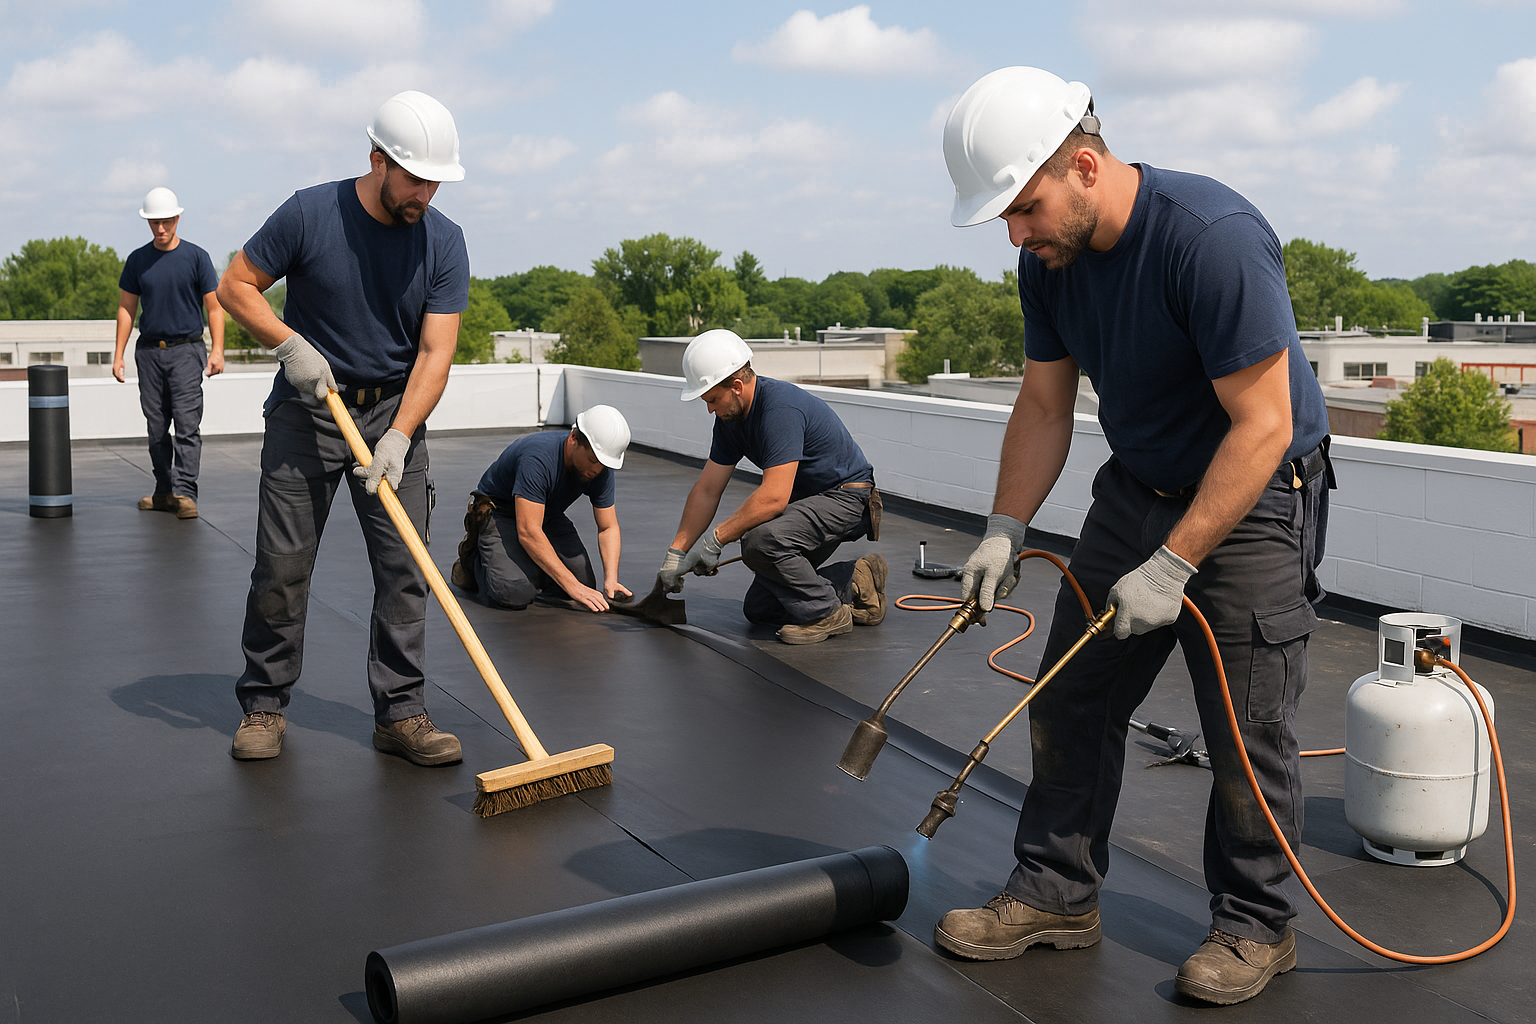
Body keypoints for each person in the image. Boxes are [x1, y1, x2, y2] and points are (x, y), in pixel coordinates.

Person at [931, 68, 1332, 1006]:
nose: (1016, 235)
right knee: (1071, 695)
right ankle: (1056, 892)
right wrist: (1004, 526)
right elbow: (1044, 403)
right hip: (1137, 488)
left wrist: (1177, 561)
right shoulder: (1049, 263)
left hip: (1255, 496)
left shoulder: (1210, 239)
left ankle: (1256, 924)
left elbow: (1265, 425)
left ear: (1083, 165)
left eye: (1023, 209)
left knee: (1244, 728)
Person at [216, 90, 470, 767]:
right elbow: (235, 285)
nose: (425, 194)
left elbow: (436, 353)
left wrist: (400, 435)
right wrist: (288, 346)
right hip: (308, 411)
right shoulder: (310, 214)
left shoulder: (444, 241)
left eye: (435, 182)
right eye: (414, 179)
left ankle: (402, 714)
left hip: (394, 410)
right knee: (282, 566)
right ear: (377, 159)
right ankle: (264, 704)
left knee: (406, 571)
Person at [657, 329, 887, 645]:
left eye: (712, 399)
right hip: (810, 501)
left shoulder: (780, 409)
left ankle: (827, 613)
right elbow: (707, 489)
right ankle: (856, 578)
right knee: (760, 607)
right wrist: (676, 552)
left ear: (737, 387)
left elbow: (774, 498)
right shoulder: (730, 421)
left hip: (846, 497)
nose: (709, 408)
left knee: (759, 541)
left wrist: (715, 540)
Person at [452, 405, 632, 613]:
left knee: (584, 584)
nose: (596, 469)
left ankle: (528, 565)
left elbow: (607, 527)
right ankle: (473, 564)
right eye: (592, 460)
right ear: (574, 438)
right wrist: (572, 586)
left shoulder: (600, 468)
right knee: (515, 591)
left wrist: (611, 579)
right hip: (501, 512)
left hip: (547, 512)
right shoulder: (538, 458)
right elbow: (528, 531)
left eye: (602, 464)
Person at [113, 187, 225, 519]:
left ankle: (185, 493)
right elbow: (126, 309)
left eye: (166, 222)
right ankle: (164, 491)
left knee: (187, 425)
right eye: (154, 223)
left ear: (177, 218)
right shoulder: (137, 260)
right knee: (156, 427)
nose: (160, 229)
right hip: (149, 353)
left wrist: (218, 350)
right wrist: (118, 355)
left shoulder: (196, 257)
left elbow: (215, 307)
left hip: (187, 351)